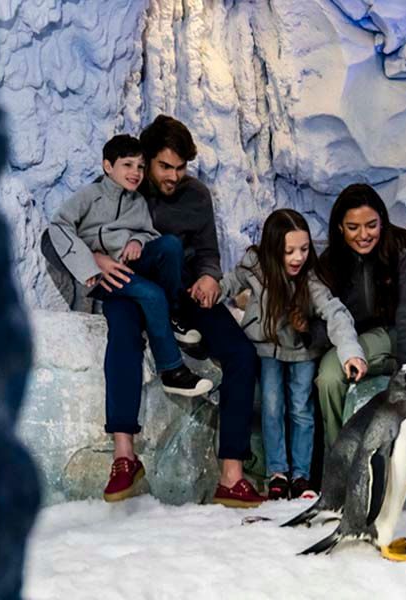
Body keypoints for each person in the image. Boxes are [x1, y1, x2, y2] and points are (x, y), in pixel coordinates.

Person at [87, 116, 265, 507]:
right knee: (124, 334)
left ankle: (231, 476)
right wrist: (97, 259)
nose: (173, 176)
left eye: (181, 168)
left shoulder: (196, 195)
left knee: (241, 353)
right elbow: (82, 231)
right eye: (165, 166)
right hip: (130, 288)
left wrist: (210, 278)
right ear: (146, 160)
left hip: (183, 293)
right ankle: (124, 457)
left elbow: (207, 252)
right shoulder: (124, 189)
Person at [49, 134, 211, 400]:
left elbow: (149, 233)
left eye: (140, 166)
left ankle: (172, 316)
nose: (135, 172)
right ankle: (172, 371)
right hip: (102, 277)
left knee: (170, 245)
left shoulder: (137, 202)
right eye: (127, 165)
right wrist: (90, 264)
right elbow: (59, 226)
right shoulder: (90, 196)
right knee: (151, 293)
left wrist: (137, 240)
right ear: (107, 166)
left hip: (129, 266)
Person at [220, 209, 367, 500]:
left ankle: (301, 476)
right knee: (272, 406)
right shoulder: (255, 266)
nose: (298, 257)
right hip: (266, 349)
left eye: (304, 249)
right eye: (289, 251)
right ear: (274, 250)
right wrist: (206, 290)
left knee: (301, 408)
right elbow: (229, 284)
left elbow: (335, 312)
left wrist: (351, 352)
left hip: (301, 351)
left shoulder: (310, 279)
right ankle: (278, 473)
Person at [316, 183, 406, 447]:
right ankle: (338, 456)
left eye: (371, 225)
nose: (363, 235)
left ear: (382, 221)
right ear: (340, 227)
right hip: (352, 341)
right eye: (353, 227)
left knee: (333, 368)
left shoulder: (401, 248)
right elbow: (323, 316)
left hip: (391, 335)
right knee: (329, 378)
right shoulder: (331, 262)